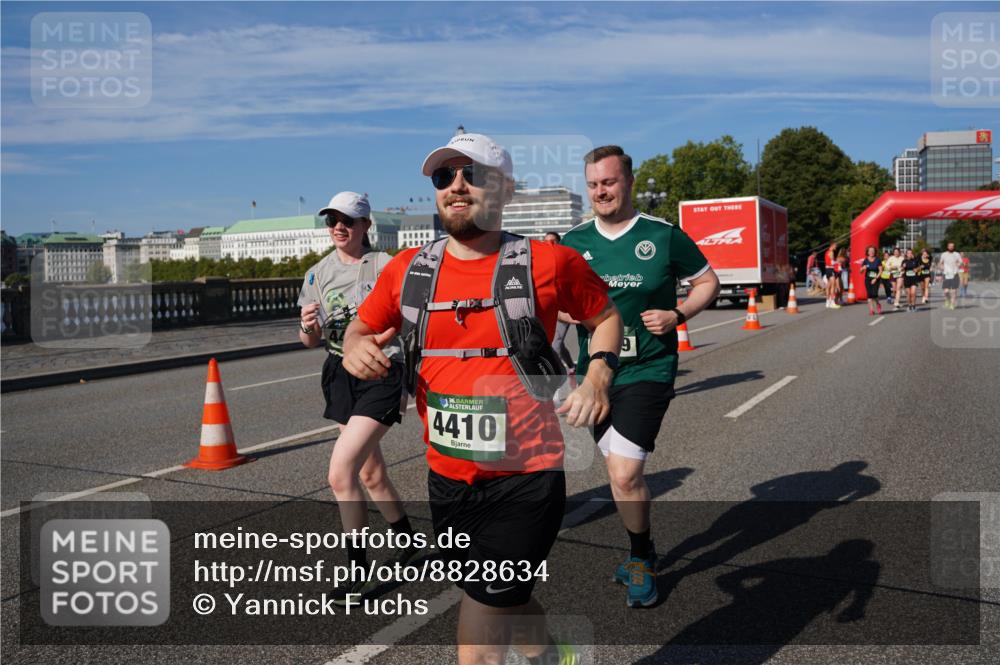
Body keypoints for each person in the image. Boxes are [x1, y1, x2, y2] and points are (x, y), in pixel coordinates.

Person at [342, 133, 623, 665]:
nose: (456, 186)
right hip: (447, 480)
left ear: (506, 189)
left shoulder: (550, 262)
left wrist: (596, 377)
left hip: (526, 479)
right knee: (507, 598)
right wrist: (356, 347)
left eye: (472, 174)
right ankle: (554, 656)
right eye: (443, 177)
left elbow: (605, 318)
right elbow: (361, 328)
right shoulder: (407, 270)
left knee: (478, 638)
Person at [561, 145, 720, 608]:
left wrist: (678, 313)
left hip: (650, 366)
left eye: (608, 182)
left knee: (626, 473)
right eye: (592, 184)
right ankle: (643, 545)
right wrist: (573, 314)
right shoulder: (572, 242)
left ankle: (640, 557)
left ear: (628, 182)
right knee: (616, 471)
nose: (600, 192)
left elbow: (708, 281)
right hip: (596, 374)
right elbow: (554, 299)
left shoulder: (663, 236)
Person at [298, 191, 417, 604]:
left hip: (381, 368)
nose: (339, 227)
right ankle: (408, 540)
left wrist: (366, 343)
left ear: (367, 225)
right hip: (338, 373)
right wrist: (308, 325)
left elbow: (403, 319)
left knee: (340, 472)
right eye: (332, 219)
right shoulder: (316, 274)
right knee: (369, 474)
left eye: (348, 219)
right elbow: (308, 341)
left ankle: (357, 568)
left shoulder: (387, 266)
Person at [544, 231, 577, 379]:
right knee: (558, 343)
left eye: (553, 241)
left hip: (565, 309)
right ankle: (571, 366)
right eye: (546, 241)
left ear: (560, 243)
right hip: (550, 309)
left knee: (555, 345)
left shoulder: (567, 260)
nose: (550, 244)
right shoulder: (542, 263)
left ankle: (555, 380)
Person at [859, 245, 883, 315]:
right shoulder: (865, 260)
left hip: (876, 279)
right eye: (870, 251)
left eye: (873, 251)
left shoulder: (878, 260)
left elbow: (880, 271)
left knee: (874, 295)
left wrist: (875, 279)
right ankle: (871, 310)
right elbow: (860, 271)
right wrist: (862, 269)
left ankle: (878, 304)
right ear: (868, 252)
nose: (871, 252)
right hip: (868, 279)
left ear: (875, 252)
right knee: (869, 295)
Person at [938, 242, 963, 309]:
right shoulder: (944, 254)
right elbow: (940, 263)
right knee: (946, 291)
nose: (951, 247)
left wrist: (958, 264)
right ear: (947, 247)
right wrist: (941, 267)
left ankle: (952, 304)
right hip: (946, 274)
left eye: (952, 246)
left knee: (954, 291)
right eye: (950, 246)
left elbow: (960, 261)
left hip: (954, 274)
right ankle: (947, 299)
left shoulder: (956, 254)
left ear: (953, 247)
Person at [824, 242, 840, 308]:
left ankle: (828, 302)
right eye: (835, 245)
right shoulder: (831, 252)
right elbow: (832, 262)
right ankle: (832, 302)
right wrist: (838, 262)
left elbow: (828, 261)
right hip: (830, 269)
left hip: (827, 269)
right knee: (833, 285)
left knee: (829, 285)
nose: (836, 247)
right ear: (832, 245)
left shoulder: (827, 252)